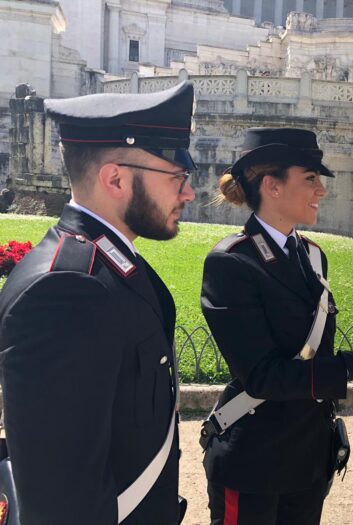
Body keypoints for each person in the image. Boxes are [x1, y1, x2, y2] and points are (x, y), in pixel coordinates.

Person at [199, 127, 353, 525]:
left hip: (307, 458)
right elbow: (262, 377)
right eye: (310, 179)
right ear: (272, 186)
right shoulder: (231, 263)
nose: (320, 191)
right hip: (254, 457)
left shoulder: (312, 255)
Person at [0, 81, 197, 523]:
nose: (188, 193)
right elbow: (60, 504)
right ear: (115, 178)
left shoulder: (109, 266)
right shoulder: (67, 290)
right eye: (178, 176)